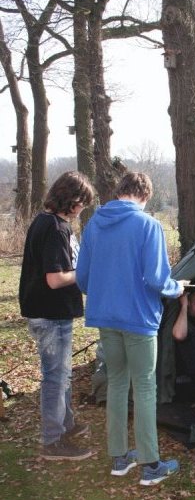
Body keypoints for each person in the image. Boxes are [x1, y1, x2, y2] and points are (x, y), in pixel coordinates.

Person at [76, 172, 191, 486]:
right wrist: (177, 287)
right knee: (144, 387)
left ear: (120, 191)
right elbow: (156, 279)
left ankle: (119, 457)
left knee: (116, 382)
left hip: (105, 317)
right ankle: (151, 465)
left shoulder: (94, 224)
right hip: (139, 318)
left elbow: (83, 279)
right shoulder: (148, 225)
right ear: (145, 196)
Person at [19, 171, 95, 460]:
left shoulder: (48, 222)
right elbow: (54, 279)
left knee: (62, 373)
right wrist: (84, 272)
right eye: (82, 203)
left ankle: (67, 424)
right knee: (55, 377)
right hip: (49, 313)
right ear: (72, 200)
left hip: (50, 311)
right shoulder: (54, 228)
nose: (82, 209)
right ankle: (53, 440)